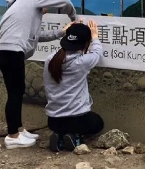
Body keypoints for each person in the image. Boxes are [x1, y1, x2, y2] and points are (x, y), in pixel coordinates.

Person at [0, 0, 77, 150]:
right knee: (15, 94)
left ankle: (19, 130)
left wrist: (62, 32)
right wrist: (74, 20)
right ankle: (12, 136)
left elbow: (38, 36)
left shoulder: (23, 9)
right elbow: (66, 2)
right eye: (46, 6)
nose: (46, 10)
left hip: (4, 51)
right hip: (11, 51)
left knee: (17, 92)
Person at [43, 20, 105, 152]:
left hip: (53, 120)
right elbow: (97, 53)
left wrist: (73, 30)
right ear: (85, 44)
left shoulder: (50, 59)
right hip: (78, 120)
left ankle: (59, 136)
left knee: (62, 125)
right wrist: (95, 36)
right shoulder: (81, 62)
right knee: (98, 123)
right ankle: (74, 136)